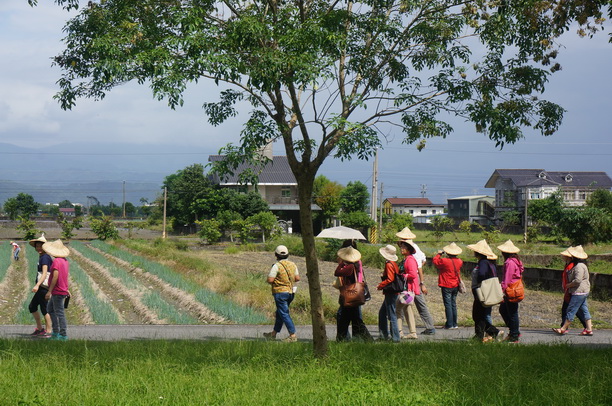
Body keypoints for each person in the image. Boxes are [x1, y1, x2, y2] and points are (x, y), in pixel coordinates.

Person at [396, 227, 436, 335]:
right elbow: (423, 261)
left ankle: (428, 327)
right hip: (412, 280)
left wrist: (421, 283)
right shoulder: (412, 250)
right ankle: (409, 330)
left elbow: (418, 267)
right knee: (407, 305)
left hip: (413, 282)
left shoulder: (412, 250)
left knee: (416, 304)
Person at [553, 246, 594, 336]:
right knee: (584, 310)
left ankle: (563, 328)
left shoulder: (579, 266)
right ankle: (589, 329)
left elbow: (578, 280)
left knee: (571, 310)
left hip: (578, 291)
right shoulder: (582, 265)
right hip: (583, 291)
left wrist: (569, 285)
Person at [466, 239, 502, 342]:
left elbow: (482, 274)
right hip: (484, 292)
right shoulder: (489, 263)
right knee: (479, 315)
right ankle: (481, 335)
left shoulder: (483, 263)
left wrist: (479, 284)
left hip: (481, 292)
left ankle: (492, 332)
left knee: (477, 315)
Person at [334, 246, 372, 342]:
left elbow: (337, 272)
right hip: (354, 296)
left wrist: (340, 264)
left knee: (347, 320)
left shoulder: (350, 267)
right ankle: (366, 339)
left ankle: (342, 339)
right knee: (353, 320)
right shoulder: (355, 265)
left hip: (350, 296)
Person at [263, 245, 300, 342]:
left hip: (280, 293)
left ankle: (292, 335)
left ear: (276, 255)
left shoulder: (276, 266)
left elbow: (270, 279)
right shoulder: (293, 264)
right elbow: (297, 278)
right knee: (280, 313)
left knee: (284, 313)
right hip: (290, 292)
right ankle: (273, 334)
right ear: (288, 254)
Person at [43, 239, 70, 341]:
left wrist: (49, 291)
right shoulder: (65, 261)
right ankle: (55, 332)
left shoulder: (56, 261)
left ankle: (62, 334)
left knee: (59, 312)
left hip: (57, 291)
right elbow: (65, 276)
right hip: (62, 290)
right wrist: (67, 289)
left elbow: (55, 277)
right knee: (50, 310)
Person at [497, 240, 524, 343]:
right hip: (515, 289)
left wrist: (501, 290)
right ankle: (514, 330)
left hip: (511, 290)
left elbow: (507, 278)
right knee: (505, 309)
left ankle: (514, 334)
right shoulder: (517, 261)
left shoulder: (510, 262)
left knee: (512, 312)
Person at [433, 242, 464, 330]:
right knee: (453, 304)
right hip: (455, 284)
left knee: (448, 304)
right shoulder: (460, 261)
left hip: (446, 284)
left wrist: (439, 254)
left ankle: (449, 324)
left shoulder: (444, 261)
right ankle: (454, 323)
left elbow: (435, 261)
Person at [28, 234, 53, 337]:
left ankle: (48, 331)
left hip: (43, 287)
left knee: (44, 309)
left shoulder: (45, 258)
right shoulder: (42, 257)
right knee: (32, 306)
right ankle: (40, 328)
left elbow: (44, 273)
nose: (38, 248)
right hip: (41, 288)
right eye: (37, 246)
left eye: (40, 246)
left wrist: (37, 285)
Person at [395, 240, 419, 340]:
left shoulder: (410, 260)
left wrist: (402, 276)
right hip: (406, 289)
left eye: (404, 247)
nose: (401, 248)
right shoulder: (407, 259)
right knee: (407, 309)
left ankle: (399, 331)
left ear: (408, 249)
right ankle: (412, 332)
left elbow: (413, 275)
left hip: (407, 289)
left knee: (398, 309)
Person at [376, 245, 401, 342]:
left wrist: (381, 285)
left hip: (390, 292)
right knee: (382, 313)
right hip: (393, 291)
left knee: (391, 315)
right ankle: (384, 335)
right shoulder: (394, 263)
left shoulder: (389, 264)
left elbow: (390, 279)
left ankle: (395, 338)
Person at [559, 247, 587, 331]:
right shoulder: (569, 265)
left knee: (569, 309)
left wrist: (568, 286)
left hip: (572, 291)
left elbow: (575, 279)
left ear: (569, 257)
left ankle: (564, 327)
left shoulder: (573, 266)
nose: (563, 256)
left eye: (565, 255)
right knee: (577, 309)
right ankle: (587, 326)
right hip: (570, 290)